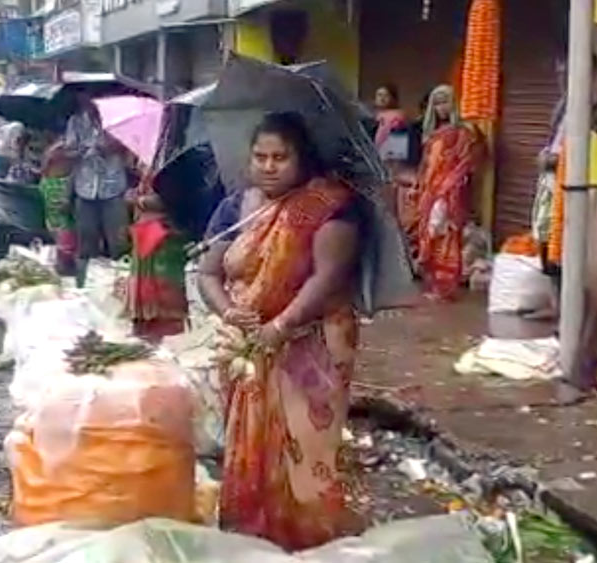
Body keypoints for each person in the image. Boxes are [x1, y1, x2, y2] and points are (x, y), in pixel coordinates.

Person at [198, 112, 362, 551]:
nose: (269, 166)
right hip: (247, 346)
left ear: (301, 159)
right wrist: (231, 312)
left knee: (305, 450)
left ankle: (308, 538)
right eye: (260, 156)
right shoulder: (234, 207)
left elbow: (326, 278)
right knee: (249, 444)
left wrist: (281, 326)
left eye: (280, 157)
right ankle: (254, 538)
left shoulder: (330, 206)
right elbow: (209, 273)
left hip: (311, 341)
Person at [415, 85, 484, 301]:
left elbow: (466, 163)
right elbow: (425, 165)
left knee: (444, 236)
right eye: (436, 103)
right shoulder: (431, 135)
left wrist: (447, 188)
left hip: (448, 194)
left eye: (445, 102)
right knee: (429, 236)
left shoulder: (463, 133)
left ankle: (445, 287)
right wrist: (419, 186)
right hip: (430, 192)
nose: (440, 108)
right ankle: (435, 284)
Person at [63, 91, 130, 287]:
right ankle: (84, 286)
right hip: (85, 189)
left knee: (118, 243)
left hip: (113, 189)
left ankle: (121, 287)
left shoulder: (117, 120)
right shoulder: (75, 122)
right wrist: (80, 151)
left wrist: (111, 147)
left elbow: (129, 146)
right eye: (83, 98)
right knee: (86, 243)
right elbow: (67, 152)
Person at [125, 164, 188, 343]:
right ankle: (145, 327)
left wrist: (138, 201)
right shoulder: (152, 161)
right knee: (144, 281)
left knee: (163, 285)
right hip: (145, 230)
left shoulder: (174, 168)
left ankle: (165, 334)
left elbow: (170, 200)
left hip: (165, 234)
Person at [38, 141, 78, 276]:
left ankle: (63, 264)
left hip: (56, 221)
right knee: (64, 240)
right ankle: (64, 266)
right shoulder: (61, 181)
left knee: (62, 239)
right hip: (63, 222)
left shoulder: (47, 180)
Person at [373, 83, 407, 149]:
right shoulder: (375, 117)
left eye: (386, 96)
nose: (382, 99)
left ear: (393, 99)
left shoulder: (397, 118)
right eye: (379, 95)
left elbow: (398, 146)